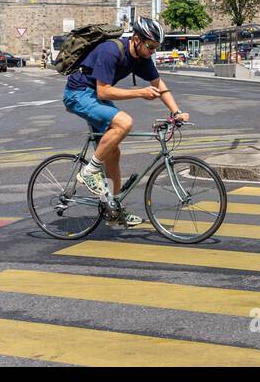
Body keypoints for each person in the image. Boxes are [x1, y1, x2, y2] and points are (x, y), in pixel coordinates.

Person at [63, 16, 188, 228]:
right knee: (125, 122)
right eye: (150, 46)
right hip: (79, 93)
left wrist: (176, 111)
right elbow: (104, 91)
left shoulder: (142, 57)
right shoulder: (110, 51)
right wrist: (139, 93)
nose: (152, 51)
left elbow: (159, 84)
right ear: (137, 39)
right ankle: (89, 171)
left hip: (96, 96)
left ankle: (113, 208)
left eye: (155, 48)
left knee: (113, 152)